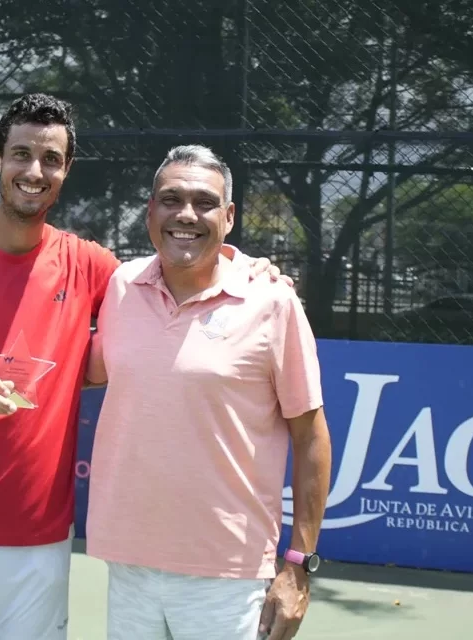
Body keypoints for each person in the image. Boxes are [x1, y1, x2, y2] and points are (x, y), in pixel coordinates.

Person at [0, 95, 289, 640]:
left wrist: (244, 265)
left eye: (51, 159)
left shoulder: (94, 267)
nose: (34, 171)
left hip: (36, 530)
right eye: (21, 154)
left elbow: (178, 276)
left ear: (66, 170)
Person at [83, 144, 333, 640]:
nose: (186, 215)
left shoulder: (273, 302)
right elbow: (85, 370)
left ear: (230, 216)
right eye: (171, 200)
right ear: (150, 210)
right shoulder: (121, 286)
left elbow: (311, 439)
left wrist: (298, 566)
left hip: (229, 578)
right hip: (128, 564)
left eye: (204, 202)